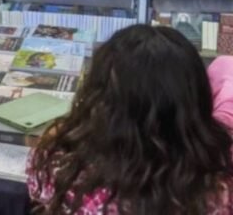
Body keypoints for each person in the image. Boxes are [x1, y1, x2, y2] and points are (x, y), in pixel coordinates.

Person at [28, 25, 233, 214]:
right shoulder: (216, 182)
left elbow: (36, 187)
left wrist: (61, 134)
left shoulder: (60, 164)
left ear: (99, 97)